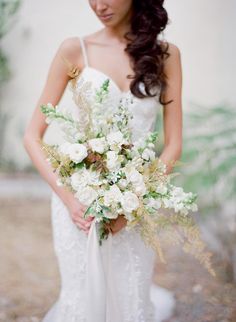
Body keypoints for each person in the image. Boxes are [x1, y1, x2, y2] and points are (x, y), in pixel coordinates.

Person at [23, 0, 182, 321]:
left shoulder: (166, 55)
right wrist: (68, 200)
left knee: (130, 292)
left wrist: (136, 204)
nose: (98, 4)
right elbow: (32, 136)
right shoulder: (74, 49)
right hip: (79, 200)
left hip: (136, 200)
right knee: (83, 297)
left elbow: (173, 145)